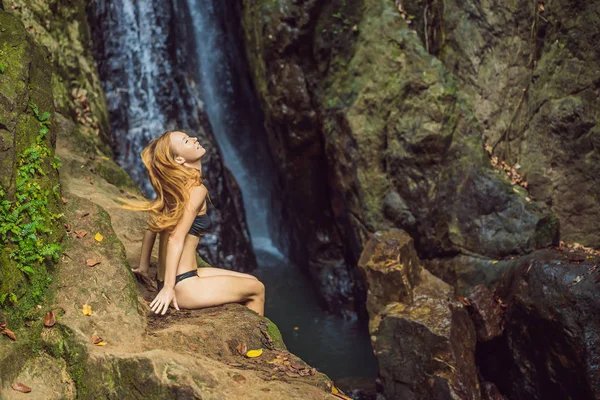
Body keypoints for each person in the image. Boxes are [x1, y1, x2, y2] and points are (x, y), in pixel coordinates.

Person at [119, 130, 265, 316]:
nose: (195, 138)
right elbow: (175, 238)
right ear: (179, 159)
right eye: (187, 141)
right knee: (257, 289)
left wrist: (144, 267)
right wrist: (169, 288)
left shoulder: (173, 187)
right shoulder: (196, 190)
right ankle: (259, 345)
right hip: (183, 286)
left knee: (251, 279)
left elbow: (151, 227)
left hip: (172, 278)